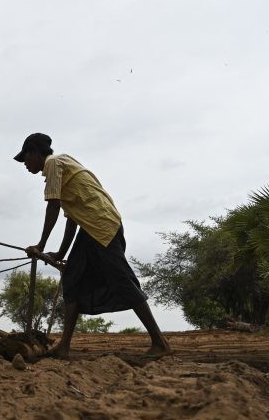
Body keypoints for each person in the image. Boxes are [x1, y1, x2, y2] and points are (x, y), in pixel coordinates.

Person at [14, 133, 172, 358]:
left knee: (122, 281)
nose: (25, 164)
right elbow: (71, 219)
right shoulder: (63, 164)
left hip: (102, 227)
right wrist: (60, 253)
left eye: (26, 158)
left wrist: (40, 245)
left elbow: (54, 207)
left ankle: (160, 343)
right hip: (91, 228)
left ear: (35, 153)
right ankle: (64, 348)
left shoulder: (52, 164)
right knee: (72, 280)